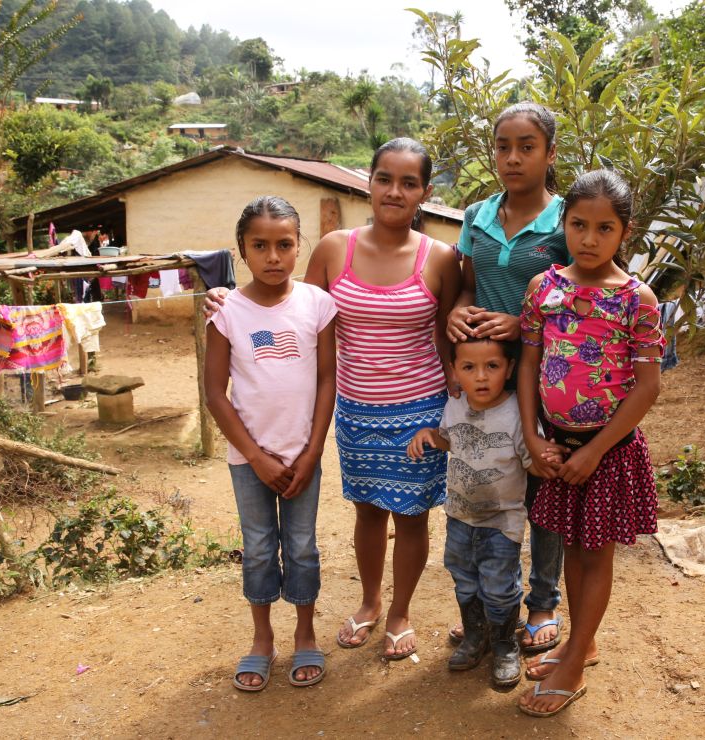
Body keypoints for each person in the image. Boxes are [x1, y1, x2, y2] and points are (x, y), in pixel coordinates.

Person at [206, 138, 460, 660]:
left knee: (412, 517)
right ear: (368, 181)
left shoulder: (441, 259)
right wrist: (225, 299)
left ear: (425, 192)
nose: (395, 191)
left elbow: (448, 336)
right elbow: (290, 308)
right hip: (356, 408)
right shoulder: (332, 249)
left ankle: (400, 612)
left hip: (419, 409)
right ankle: (369, 603)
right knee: (368, 512)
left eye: (409, 182)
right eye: (385, 178)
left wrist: (458, 413)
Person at [515, 170, 664, 717]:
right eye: (579, 224)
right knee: (570, 550)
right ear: (564, 222)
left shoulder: (636, 300)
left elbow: (647, 387)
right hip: (555, 446)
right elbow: (529, 363)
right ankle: (583, 642)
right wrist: (533, 437)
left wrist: (595, 450)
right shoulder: (544, 288)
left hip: (606, 452)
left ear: (625, 232)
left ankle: (573, 664)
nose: (590, 238)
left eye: (605, 228)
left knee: (594, 554)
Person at [446, 101, 570, 653]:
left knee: (541, 488)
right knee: (486, 486)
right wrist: (458, 310)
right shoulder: (476, 217)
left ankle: (541, 602)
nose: (513, 158)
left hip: (546, 378)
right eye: (503, 146)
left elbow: (584, 301)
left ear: (550, 154)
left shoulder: (570, 220)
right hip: (486, 381)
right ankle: (486, 608)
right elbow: (468, 287)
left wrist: (523, 323)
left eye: (527, 147)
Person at [204, 196, 337, 692]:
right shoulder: (226, 311)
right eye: (260, 245)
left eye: (284, 244)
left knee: (301, 547)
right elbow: (215, 394)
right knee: (259, 549)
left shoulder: (317, 305)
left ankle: (305, 633)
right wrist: (256, 457)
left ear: (299, 246)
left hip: (303, 455)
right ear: (242, 249)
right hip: (249, 459)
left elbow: (328, 381)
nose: (274, 256)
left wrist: (312, 452)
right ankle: (262, 640)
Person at [407, 337, 563, 688]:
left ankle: (504, 644)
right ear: (454, 372)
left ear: (508, 369)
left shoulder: (517, 414)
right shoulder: (455, 404)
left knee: (499, 586)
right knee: (464, 578)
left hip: (501, 522)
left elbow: (532, 462)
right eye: (468, 368)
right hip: (459, 515)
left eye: (491, 366)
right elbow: (450, 439)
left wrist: (550, 459)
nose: (480, 377)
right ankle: (476, 636)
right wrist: (429, 434)